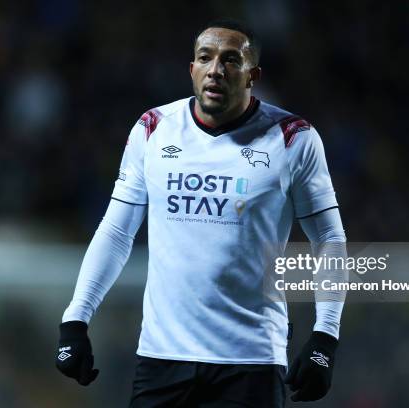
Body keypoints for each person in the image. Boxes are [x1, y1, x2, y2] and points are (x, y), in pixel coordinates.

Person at [56, 19, 347, 407]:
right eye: (205, 58)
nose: (216, 69)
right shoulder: (153, 129)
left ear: (252, 76)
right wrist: (76, 320)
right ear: (191, 69)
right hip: (162, 358)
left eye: (231, 60)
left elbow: (328, 239)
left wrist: (325, 336)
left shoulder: (293, 138)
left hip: (251, 362)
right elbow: (116, 231)